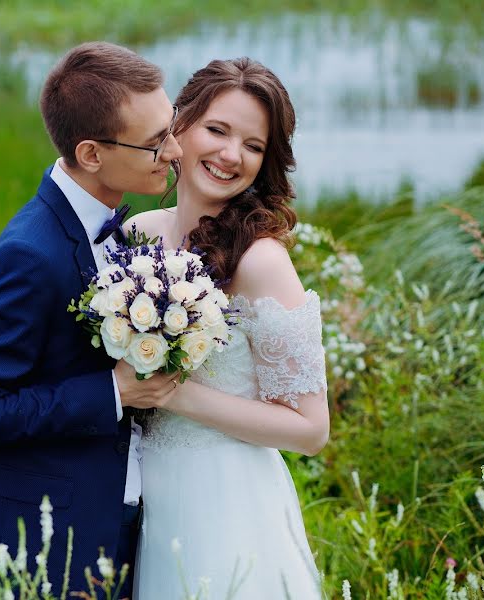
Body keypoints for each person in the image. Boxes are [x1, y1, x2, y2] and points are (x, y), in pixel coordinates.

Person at [0, 42, 183, 599]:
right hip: (41, 548)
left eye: (172, 127)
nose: (174, 150)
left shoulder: (120, 225)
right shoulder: (26, 255)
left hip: (114, 514)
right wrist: (111, 393)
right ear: (91, 154)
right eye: (154, 143)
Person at [127, 57, 329, 599]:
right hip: (142, 493)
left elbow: (311, 429)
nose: (230, 155)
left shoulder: (261, 262)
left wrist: (175, 396)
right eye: (217, 130)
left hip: (226, 501)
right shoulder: (136, 234)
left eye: (253, 145)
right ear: (180, 125)